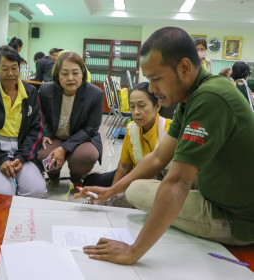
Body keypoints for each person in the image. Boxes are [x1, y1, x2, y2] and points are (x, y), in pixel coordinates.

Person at [76, 26, 254, 265]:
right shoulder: (192, 98)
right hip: (220, 195)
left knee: (138, 190)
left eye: (155, 78)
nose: (150, 88)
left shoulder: (209, 98)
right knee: (143, 182)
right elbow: (159, 157)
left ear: (184, 67)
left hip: (237, 220)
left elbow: (179, 182)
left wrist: (133, 251)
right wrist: (111, 189)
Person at [0, 46, 46, 197]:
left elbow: (36, 128)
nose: (11, 73)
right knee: (2, 194)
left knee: (36, 191)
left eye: (15, 68)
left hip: (21, 146)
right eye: (5, 69)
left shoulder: (30, 91)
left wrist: (22, 157)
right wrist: (1, 159)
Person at [83, 82, 172, 189]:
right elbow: (124, 166)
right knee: (90, 182)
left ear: (157, 106)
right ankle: (93, 175)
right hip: (132, 175)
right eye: (132, 107)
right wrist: (112, 195)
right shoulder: (132, 129)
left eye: (141, 106)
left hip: (156, 182)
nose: (136, 112)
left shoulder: (169, 129)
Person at [38, 51, 103, 188]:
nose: (70, 78)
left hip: (82, 138)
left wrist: (64, 148)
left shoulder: (95, 94)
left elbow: (91, 129)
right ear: (57, 75)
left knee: (85, 156)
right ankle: (53, 176)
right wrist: (43, 133)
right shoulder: (45, 90)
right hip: (55, 135)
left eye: (75, 72)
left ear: (83, 73)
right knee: (44, 153)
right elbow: (40, 115)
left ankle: (77, 176)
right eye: (64, 73)